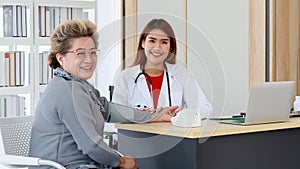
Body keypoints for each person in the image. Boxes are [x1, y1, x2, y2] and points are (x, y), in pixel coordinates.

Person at [29, 19, 177, 169]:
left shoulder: (80, 86)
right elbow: (92, 146)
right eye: (80, 53)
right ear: (61, 58)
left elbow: (110, 110)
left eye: (93, 52)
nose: (89, 60)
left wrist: (155, 116)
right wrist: (121, 161)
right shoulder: (67, 90)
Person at [113, 18, 213, 118]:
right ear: (143, 43)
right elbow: (115, 117)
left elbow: (205, 110)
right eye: (152, 41)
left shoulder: (183, 75)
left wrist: (183, 114)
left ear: (170, 47)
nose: (157, 47)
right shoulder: (126, 76)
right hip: (135, 133)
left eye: (164, 42)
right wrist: (136, 115)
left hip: (172, 133)